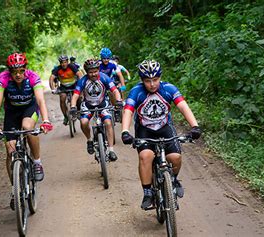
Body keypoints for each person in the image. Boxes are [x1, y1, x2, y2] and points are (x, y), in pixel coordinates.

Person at [120, 59, 202, 210]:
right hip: (145, 129)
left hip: (165, 127)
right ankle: (148, 193)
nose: (152, 84)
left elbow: (183, 106)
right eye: (147, 81)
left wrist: (194, 126)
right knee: (146, 156)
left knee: (175, 157)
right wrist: (125, 131)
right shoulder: (136, 92)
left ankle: (174, 180)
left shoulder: (168, 89)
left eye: (155, 79)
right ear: (142, 80)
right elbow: (128, 111)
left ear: (160, 77)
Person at [0, 53, 53, 207]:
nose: (18, 74)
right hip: (11, 112)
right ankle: (15, 189)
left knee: (28, 128)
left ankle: (36, 162)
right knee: (10, 152)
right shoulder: (2, 78)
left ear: (25, 69)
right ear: (9, 71)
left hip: (29, 109)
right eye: (14, 71)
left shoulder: (33, 77)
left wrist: (46, 120)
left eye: (21, 70)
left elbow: (41, 100)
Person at [69, 58, 123, 161]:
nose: (93, 74)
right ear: (87, 72)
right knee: (84, 122)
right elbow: (75, 95)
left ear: (98, 70)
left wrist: (119, 101)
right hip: (88, 105)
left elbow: (115, 91)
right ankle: (89, 140)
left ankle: (111, 150)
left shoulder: (104, 78)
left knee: (108, 123)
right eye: (90, 72)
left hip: (102, 104)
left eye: (95, 71)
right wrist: (73, 106)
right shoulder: (83, 81)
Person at [49, 55, 84, 125]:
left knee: (79, 97)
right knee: (62, 98)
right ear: (60, 63)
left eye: (65, 62)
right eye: (62, 62)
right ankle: (65, 116)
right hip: (63, 87)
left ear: (67, 62)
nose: (63, 64)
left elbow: (80, 75)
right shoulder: (58, 69)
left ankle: (79, 112)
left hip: (74, 85)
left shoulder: (72, 66)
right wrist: (52, 88)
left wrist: (81, 85)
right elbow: (51, 78)